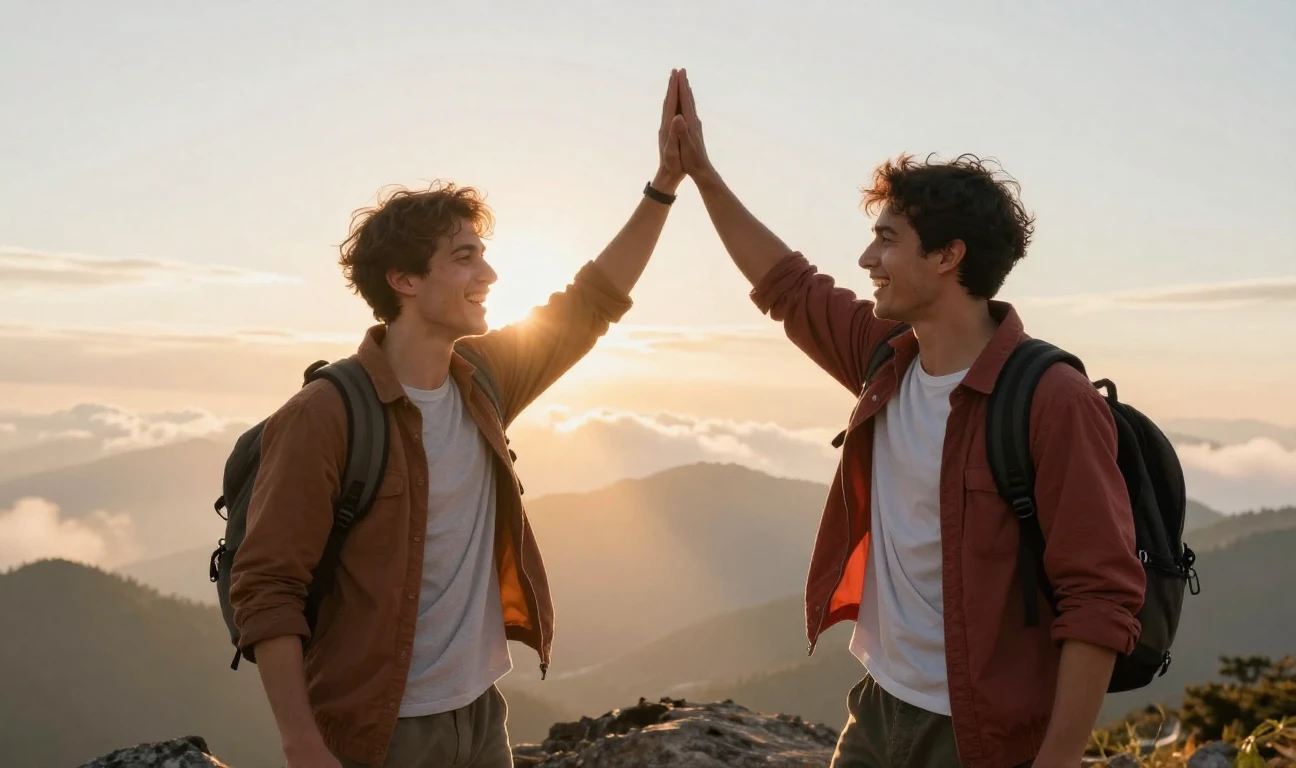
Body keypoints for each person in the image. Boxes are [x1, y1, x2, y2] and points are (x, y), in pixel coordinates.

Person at [665, 69, 1146, 768]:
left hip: (978, 735)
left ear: (949, 256)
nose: (867, 259)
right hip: (880, 709)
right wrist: (702, 176)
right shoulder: (886, 359)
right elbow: (789, 287)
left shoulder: (1052, 400)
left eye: (887, 241)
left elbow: (1100, 598)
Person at [228, 71, 689, 768]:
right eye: (464, 257)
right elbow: (267, 588)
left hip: (480, 715)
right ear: (405, 281)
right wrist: (302, 744)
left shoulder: (483, 381)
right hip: (382, 731)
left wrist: (664, 185)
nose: (490, 274)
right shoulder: (325, 416)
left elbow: (590, 303)